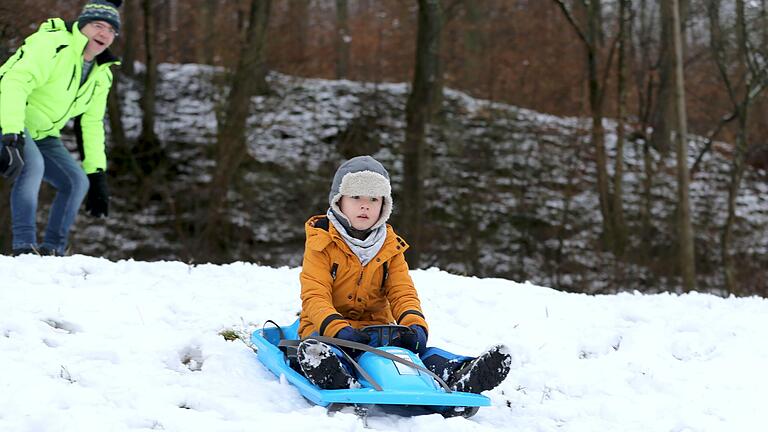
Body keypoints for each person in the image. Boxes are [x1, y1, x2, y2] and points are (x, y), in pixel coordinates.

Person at [296, 155, 512, 393]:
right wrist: (337, 327)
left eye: (374, 199)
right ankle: (334, 373)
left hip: (375, 331)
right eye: (356, 197)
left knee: (414, 356)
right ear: (339, 201)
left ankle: (462, 372)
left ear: (384, 205)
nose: (365, 206)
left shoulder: (390, 246)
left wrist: (415, 325)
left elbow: (402, 291)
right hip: (328, 331)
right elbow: (315, 294)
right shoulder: (321, 242)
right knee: (331, 349)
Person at [0, 0, 121, 256]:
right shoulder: (54, 45)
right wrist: (11, 133)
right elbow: (13, 81)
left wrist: (96, 174)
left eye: (111, 30)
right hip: (8, 114)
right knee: (33, 166)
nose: (104, 34)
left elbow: (91, 123)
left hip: (43, 131)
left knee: (76, 182)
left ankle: (53, 250)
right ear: (81, 26)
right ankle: (24, 247)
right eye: (97, 25)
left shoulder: (102, 74)